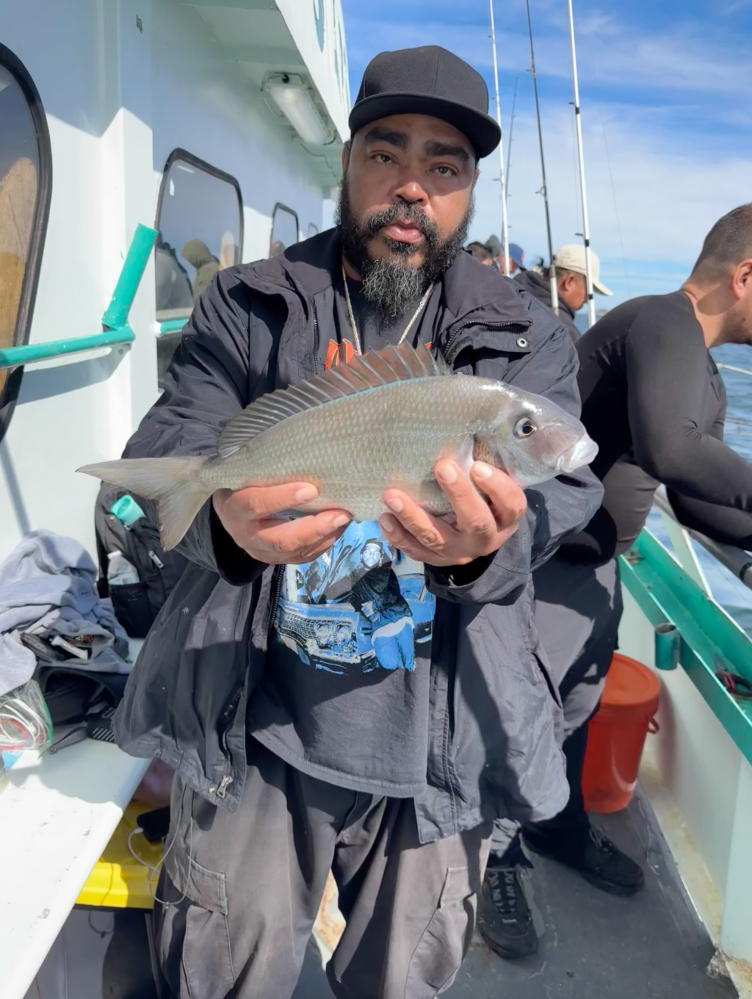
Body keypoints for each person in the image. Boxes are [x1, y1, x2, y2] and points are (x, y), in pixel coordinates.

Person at [113, 44, 602, 999]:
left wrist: (489, 548)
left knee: (401, 979)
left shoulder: (531, 335)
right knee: (223, 972)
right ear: (347, 161)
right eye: (386, 153)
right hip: (257, 723)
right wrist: (222, 528)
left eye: (444, 166)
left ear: (468, 191)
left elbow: (571, 494)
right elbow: (164, 453)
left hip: (443, 741)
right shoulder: (246, 302)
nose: (411, 186)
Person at [480, 203, 752, 961]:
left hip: (600, 566)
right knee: (514, 724)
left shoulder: (705, 375)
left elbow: (699, 496)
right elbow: (670, 448)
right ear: (746, 275)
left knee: (573, 713)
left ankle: (558, 827)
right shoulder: (662, 321)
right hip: (541, 568)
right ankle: (491, 859)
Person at [515, 243, 612, 343]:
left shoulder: (514, 294)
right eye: (589, 289)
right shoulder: (564, 332)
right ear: (569, 281)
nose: (587, 300)